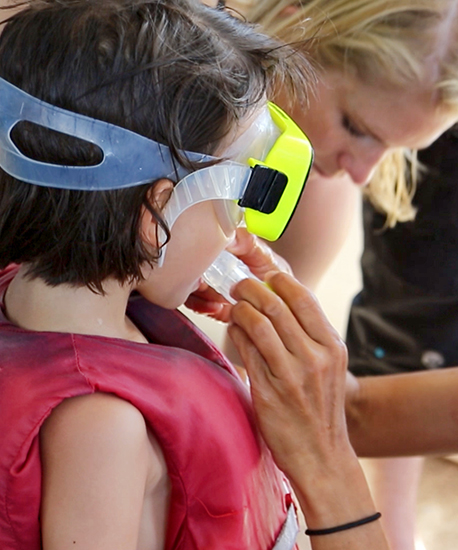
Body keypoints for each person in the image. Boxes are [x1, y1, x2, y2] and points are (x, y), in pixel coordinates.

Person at [0, 1, 391, 549]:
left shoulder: (49, 301)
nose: (238, 236)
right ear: (155, 216)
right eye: (235, 202)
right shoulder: (99, 428)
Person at [207, 1, 458, 549]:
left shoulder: (319, 191)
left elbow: (349, 413)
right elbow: (359, 410)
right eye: (357, 127)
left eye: (390, 146)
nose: (365, 173)